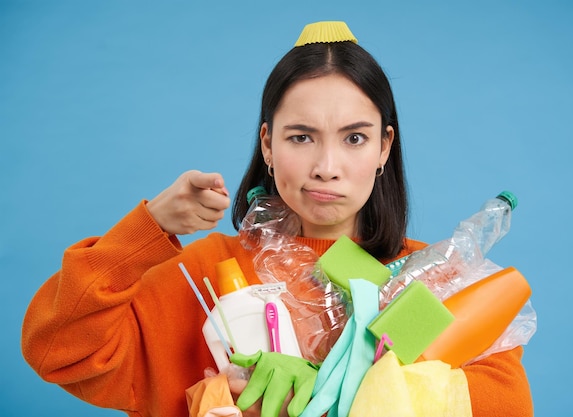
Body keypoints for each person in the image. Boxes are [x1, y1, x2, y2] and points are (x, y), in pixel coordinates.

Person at [22, 21, 533, 417]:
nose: (326, 168)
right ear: (268, 143)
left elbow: (505, 404)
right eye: (301, 136)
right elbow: (56, 347)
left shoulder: (436, 280)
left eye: (354, 138)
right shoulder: (199, 275)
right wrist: (151, 228)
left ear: (384, 147)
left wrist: (326, 390)